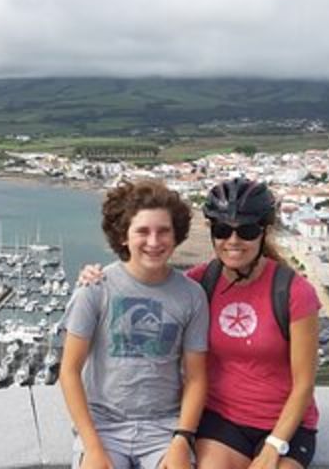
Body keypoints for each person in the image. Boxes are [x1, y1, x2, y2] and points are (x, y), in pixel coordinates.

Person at [78, 177, 321, 469]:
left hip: (286, 424)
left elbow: (304, 383)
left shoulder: (293, 292)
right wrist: (94, 277)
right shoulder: (198, 284)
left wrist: (273, 446)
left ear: (263, 232)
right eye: (222, 230)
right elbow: (151, 283)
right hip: (223, 419)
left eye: (245, 231)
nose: (233, 241)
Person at [60, 179, 210, 469]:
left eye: (163, 231)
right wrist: (91, 447)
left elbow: (196, 377)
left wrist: (182, 438)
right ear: (123, 237)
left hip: (164, 428)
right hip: (103, 425)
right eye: (142, 231)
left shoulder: (192, 296)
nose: (154, 242)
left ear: (176, 235)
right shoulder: (95, 288)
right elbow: (69, 371)